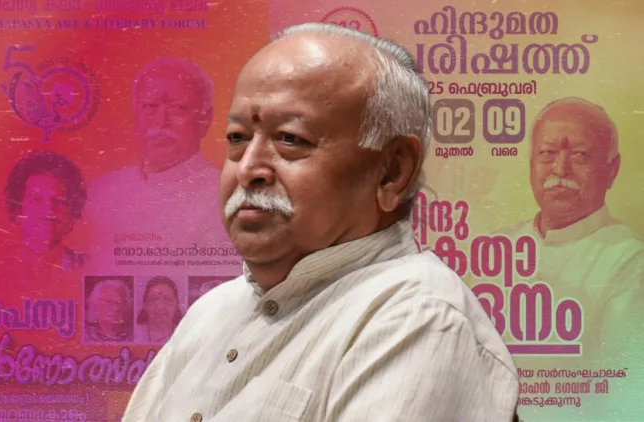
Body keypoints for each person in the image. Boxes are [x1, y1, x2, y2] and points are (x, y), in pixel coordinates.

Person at [123, 23, 519, 421]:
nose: (248, 169)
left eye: (290, 139)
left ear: (392, 172)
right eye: (237, 138)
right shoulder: (211, 313)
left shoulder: (417, 317)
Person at [500, 97, 644, 362]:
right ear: (531, 163)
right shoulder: (498, 247)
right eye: (548, 153)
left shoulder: (630, 261)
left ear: (612, 170)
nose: (561, 170)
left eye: (580, 155)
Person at [82, 56, 233, 274]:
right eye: (149, 107)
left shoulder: (225, 197)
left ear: (205, 119)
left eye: (178, 108)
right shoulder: (102, 191)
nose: (161, 121)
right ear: (135, 113)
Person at [4, 150, 88, 282]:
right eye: (36, 200)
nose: (49, 211)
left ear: (71, 213)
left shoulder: (92, 266)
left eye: (58, 201)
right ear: (18, 211)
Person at [84, 278, 134, 343]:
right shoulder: (84, 336)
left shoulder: (135, 335)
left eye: (120, 302)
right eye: (109, 302)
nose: (115, 308)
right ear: (94, 304)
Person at [135, 276, 183, 344]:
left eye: (167, 299)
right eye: (153, 300)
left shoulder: (184, 335)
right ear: (145, 305)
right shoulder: (135, 334)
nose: (160, 306)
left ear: (176, 304)